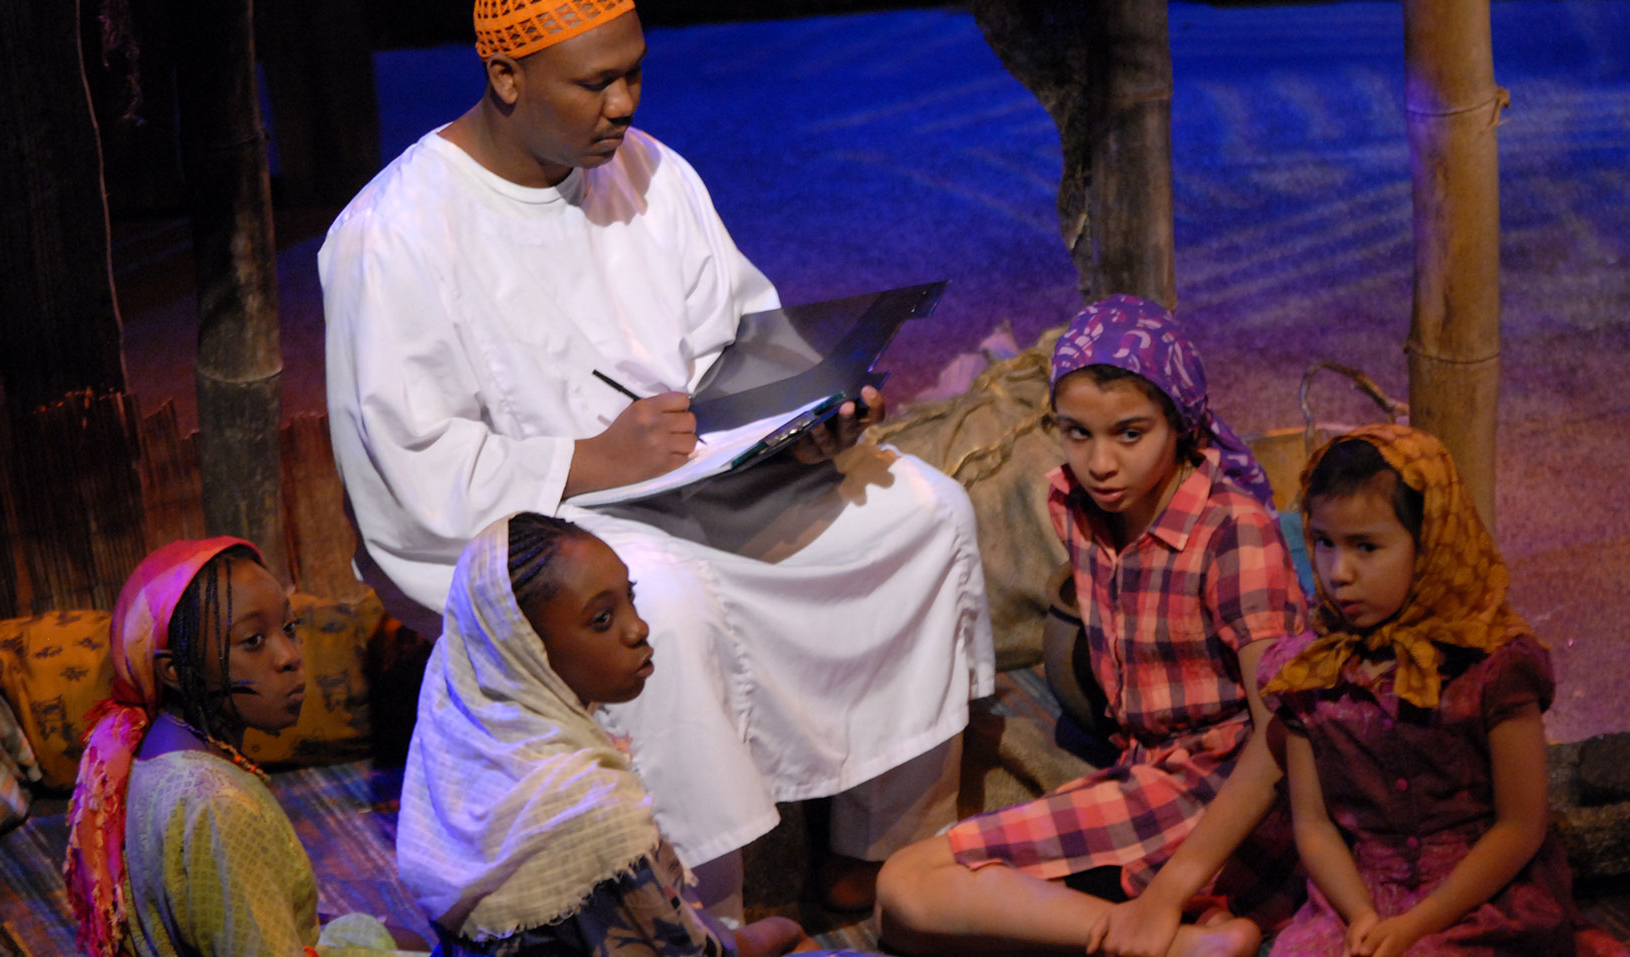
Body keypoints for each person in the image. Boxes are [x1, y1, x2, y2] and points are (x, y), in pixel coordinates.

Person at [319, 0, 992, 915]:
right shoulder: (391, 233)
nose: (624, 103)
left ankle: (884, 854)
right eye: (596, 82)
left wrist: (807, 411)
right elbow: (411, 476)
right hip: (523, 528)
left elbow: (730, 341)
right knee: (655, 612)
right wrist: (591, 459)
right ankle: (699, 913)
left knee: (921, 512)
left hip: (687, 475)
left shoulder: (649, 172)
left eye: (634, 72)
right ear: (507, 78)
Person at [875, 295, 1307, 957]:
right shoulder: (1079, 508)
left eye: (1130, 433)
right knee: (908, 911)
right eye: (1077, 432)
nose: (1101, 462)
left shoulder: (1233, 535)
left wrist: (1166, 894)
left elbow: (1281, 734)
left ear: (1182, 423)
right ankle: (1188, 941)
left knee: (910, 887)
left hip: (1231, 799)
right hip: (1147, 774)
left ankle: (1175, 927)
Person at [399, 511, 884, 955]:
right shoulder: (589, 807)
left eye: (630, 597)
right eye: (602, 620)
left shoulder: (461, 738)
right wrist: (774, 933)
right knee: (793, 939)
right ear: (527, 652)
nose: (638, 629)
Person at [1261, 426, 1627, 957]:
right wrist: (1362, 914)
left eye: (1367, 546)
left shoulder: (1491, 663)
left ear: (1429, 541)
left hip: (1479, 891)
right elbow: (1313, 824)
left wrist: (1415, 925)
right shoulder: (1310, 670)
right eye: (1324, 543)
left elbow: (1521, 824)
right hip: (1360, 892)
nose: (1339, 573)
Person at [63, 538, 426, 956]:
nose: (290, 656)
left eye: (289, 630)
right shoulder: (220, 806)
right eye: (253, 641)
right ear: (175, 671)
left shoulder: (147, 749)